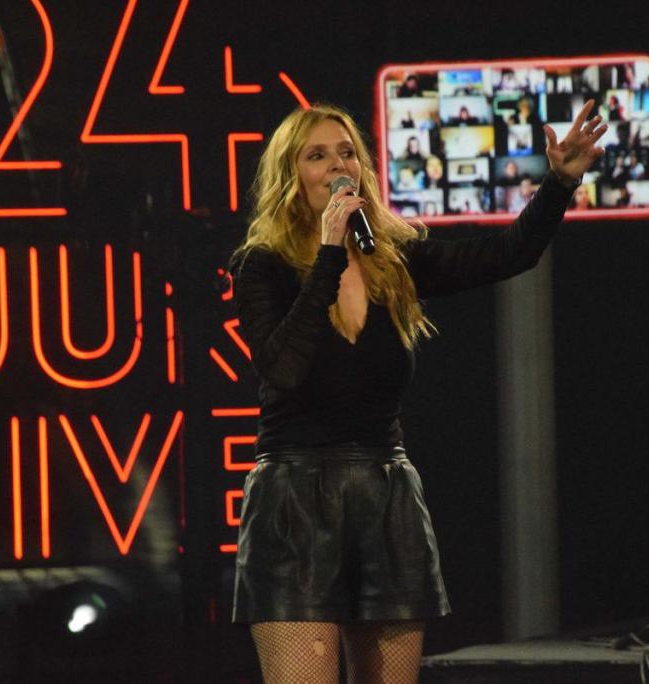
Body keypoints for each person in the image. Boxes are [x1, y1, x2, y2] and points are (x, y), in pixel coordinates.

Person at [228, 100, 607, 684]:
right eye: (317, 156)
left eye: (347, 153)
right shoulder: (263, 265)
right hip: (295, 498)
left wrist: (559, 184)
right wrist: (328, 256)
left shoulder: (391, 259)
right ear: (290, 175)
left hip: (385, 494)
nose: (338, 166)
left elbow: (508, 253)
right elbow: (282, 369)